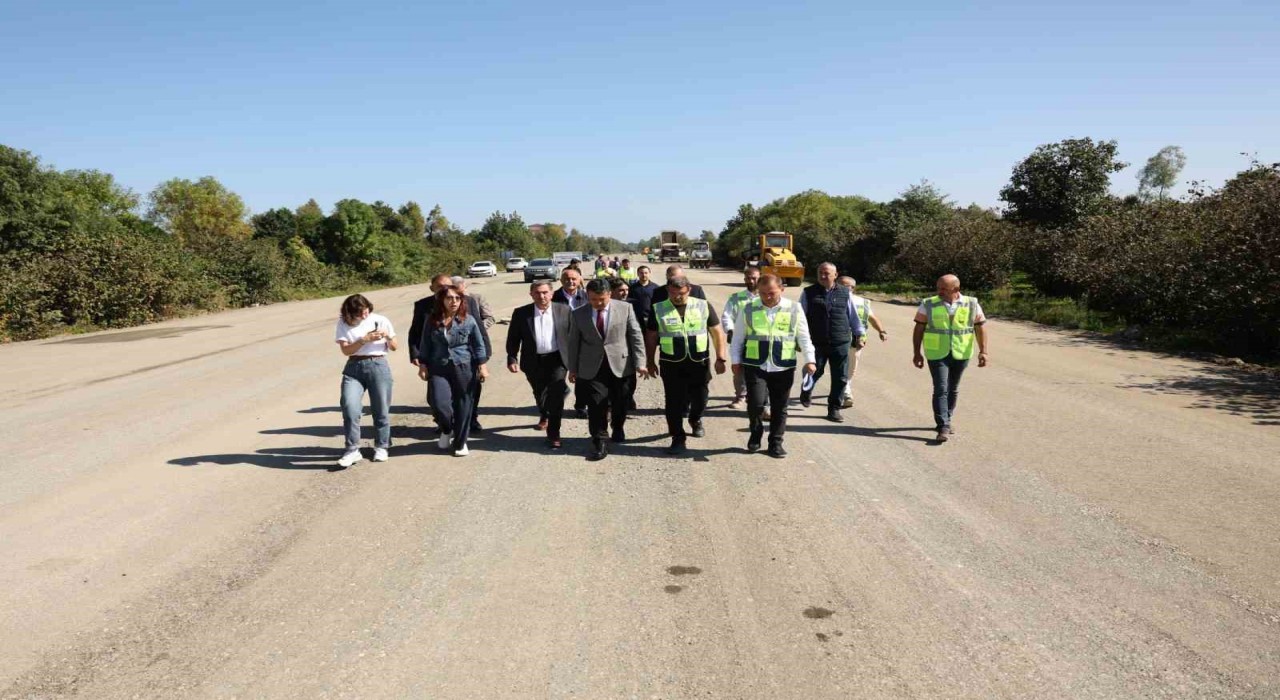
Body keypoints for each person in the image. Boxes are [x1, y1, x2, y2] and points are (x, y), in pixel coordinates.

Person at [731, 274, 816, 458]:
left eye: (771, 293)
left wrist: (810, 360)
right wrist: (735, 361)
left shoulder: (794, 308)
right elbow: (738, 337)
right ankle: (755, 433)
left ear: (782, 289)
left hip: (783, 365)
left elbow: (804, 336)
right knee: (755, 404)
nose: (766, 297)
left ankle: (776, 443)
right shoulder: (748, 308)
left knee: (780, 406)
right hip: (755, 364)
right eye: (762, 293)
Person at [566, 278, 648, 461]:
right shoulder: (579, 314)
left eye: (601, 299)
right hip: (592, 368)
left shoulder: (625, 309)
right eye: (593, 299)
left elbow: (635, 335)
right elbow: (573, 343)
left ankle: (618, 427)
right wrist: (572, 368)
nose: (597, 304)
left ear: (609, 294)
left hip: (621, 364)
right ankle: (599, 439)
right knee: (596, 405)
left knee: (621, 402)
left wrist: (640, 362)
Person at [645, 276, 728, 454]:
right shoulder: (658, 308)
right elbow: (651, 336)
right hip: (671, 363)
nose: (677, 297)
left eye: (681, 293)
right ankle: (677, 437)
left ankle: (695, 418)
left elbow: (717, 332)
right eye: (673, 293)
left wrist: (720, 357)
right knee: (673, 402)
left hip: (699, 362)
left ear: (689, 290)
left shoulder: (702, 305)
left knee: (701, 398)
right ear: (668, 290)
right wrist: (650, 361)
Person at [409, 274, 492, 431]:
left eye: (448, 285)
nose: (444, 289)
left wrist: (484, 356)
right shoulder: (423, 305)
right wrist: (415, 355)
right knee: (437, 396)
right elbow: (416, 332)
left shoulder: (467, 301)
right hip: (437, 358)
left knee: (469, 391)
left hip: (467, 356)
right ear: (432, 288)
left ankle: (471, 419)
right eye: (440, 286)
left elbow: (479, 329)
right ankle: (444, 423)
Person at [912, 274, 989, 443]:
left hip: (961, 352)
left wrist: (983, 351)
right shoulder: (928, 304)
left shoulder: (972, 303)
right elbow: (919, 328)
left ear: (955, 289)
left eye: (943, 288)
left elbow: (980, 328)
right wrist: (916, 352)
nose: (938, 291)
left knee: (953, 388)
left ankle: (947, 417)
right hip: (936, 353)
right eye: (938, 287)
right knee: (940, 388)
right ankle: (943, 426)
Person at [418, 286, 489, 456]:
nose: (454, 302)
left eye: (457, 298)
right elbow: (425, 344)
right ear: (442, 300)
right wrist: (423, 365)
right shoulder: (431, 320)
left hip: (464, 366)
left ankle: (460, 443)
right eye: (449, 298)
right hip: (438, 366)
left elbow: (479, 345)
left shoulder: (469, 320)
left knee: (464, 404)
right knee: (439, 403)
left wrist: (482, 365)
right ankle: (446, 429)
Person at [506, 281, 573, 449]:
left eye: (544, 292)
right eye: (537, 293)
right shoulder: (522, 313)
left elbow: (573, 337)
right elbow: (513, 337)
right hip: (532, 361)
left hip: (557, 360)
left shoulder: (564, 310)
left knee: (556, 396)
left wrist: (575, 362)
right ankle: (544, 413)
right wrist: (512, 358)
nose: (541, 296)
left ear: (551, 294)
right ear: (531, 294)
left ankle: (554, 433)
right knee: (539, 392)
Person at [334, 294, 397, 468]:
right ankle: (352, 449)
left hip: (378, 364)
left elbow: (394, 346)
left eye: (366, 311)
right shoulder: (343, 323)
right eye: (360, 313)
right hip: (354, 367)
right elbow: (346, 351)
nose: (364, 316)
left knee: (381, 408)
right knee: (349, 406)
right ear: (350, 313)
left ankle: (382, 445)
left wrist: (387, 337)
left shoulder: (381, 320)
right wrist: (364, 340)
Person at [798, 262, 866, 423]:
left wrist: (860, 335)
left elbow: (853, 316)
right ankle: (806, 390)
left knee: (840, 377)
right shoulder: (808, 293)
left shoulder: (844, 293)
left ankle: (834, 409)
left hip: (840, 341)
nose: (823, 276)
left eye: (826, 273)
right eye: (820, 272)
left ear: (835, 275)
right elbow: (800, 318)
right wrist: (798, 339)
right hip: (816, 342)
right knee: (814, 371)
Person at [452, 276, 494, 432]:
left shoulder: (475, 299)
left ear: (464, 285)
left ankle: (472, 417)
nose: (456, 290)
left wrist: (472, 330)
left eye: (458, 286)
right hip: (453, 352)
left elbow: (490, 318)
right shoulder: (445, 302)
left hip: (475, 349)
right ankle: (452, 419)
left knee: (473, 385)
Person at [838, 276, 888, 408]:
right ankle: (846, 392)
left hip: (856, 340)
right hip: (837, 339)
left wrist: (881, 331)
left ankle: (844, 387)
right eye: (840, 284)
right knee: (840, 366)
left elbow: (872, 318)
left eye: (846, 285)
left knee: (851, 368)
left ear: (853, 288)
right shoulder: (833, 299)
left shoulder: (862, 302)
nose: (843, 287)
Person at [721, 265, 761, 410]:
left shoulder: (766, 297)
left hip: (760, 342)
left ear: (760, 278)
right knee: (739, 369)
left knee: (761, 371)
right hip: (741, 341)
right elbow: (727, 316)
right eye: (748, 278)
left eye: (754, 278)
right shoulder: (736, 298)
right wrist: (730, 330)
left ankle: (759, 399)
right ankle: (740, 397)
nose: (750, 281)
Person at [552, 268, 589, 417]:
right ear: (561, 281)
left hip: (581, 343)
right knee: (556, 377)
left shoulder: (587, 297)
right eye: (567, 279)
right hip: (559, 343)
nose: (570, 282)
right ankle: (555, 403)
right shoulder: (552, 297)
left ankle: (580, 406)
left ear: (580, 280)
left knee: (581, 378)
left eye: (574, 279)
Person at [611, 277, 639, 411]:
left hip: (630, 350)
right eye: (621, 290)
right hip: (613, 351)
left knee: (630, 381)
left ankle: (628, 397)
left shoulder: (632, 305)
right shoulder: (602, 306)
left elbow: (639, 330)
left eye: (627, 290)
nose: (625, 293)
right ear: (611, 291)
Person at [627, 265, 660, 329]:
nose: (644, 275)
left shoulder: (656, 288)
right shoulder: (632, 288)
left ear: (649, 273)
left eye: (646, 273)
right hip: (636, 318)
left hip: (652, 318)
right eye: (641, 273)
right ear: (638, 274)